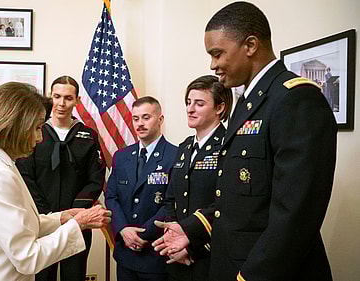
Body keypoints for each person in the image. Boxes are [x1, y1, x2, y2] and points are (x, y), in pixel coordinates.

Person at [153, 2, 337, 281]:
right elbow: (236, 198)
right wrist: (192, 228)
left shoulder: (295, 99)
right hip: (231, 262)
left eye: (217, 54)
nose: (213, 65)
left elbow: (295, 215)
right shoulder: (246, 103)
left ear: (250, 45)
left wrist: (250, 276)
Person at [0, 82, 111, 281]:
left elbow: (19, 223)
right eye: (36, 128)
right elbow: (27, 257)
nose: (38, 138)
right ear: (14, 126)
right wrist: (78, 224)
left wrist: (61, 218)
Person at [16, 76, 106, 281]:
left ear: (77, 101)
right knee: (41, 275)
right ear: (50, 97)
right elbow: (25, 176)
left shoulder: (88, 136)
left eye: (68, 98)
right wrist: (46, 213)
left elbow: (96, 178)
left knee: (74, 275)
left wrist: (75, 212)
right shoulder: (35, 133)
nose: (61, 104)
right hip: (41, 221)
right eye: (57, 96)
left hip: (77, 221)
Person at [163, 76, 232, 281]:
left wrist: (191, 247)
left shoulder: (229, 145)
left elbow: (227, 206)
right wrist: (172, 239)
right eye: (188, 102)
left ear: (220, 108)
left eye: (199, 103)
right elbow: (171, 198)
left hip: (208, 256)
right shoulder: (184, 147)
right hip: (176, 256)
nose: (190, 109)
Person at [105, 96, 177, 281]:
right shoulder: (121, 157)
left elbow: (173, 202)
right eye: (136, 118)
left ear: (160, 119)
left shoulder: (175, 156)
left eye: (146, 117)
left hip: (155, 253)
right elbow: (112, 197)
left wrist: (144, 234)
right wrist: (122, 229)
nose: (140, 124)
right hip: (125, 255)